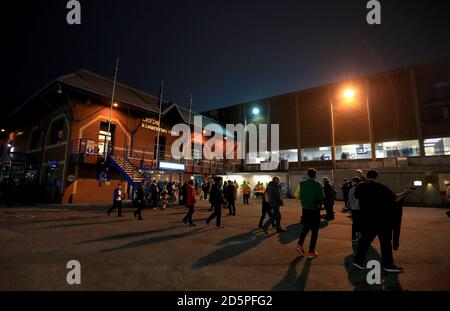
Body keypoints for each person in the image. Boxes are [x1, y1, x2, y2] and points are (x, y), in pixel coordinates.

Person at [352, 169, 410, 273]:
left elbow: (356, 196)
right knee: (386, 243)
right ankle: (388, 265)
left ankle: (358, 261)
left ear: (367, 176)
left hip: (366, 220)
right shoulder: (380, 187)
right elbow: (395, 198)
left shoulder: (361, 187)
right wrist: (406, 192)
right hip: (381, 221)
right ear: (376, 176)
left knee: (364, 242)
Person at [295, 168, 324, 259]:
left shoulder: (301, 184)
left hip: (305, 209)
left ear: (307, 175)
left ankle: (300, 244)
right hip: (315, 210)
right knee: (314, 231)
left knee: (305, 228)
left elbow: (296, 196)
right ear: (315, 175)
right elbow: (321, 197)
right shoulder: (317, 185)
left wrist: (304, 199)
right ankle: (311, 252)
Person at [348, 177, 361, 242]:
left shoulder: (352, 189)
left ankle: (354, 237)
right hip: (361, 208)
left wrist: (350, 207)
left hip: (354, 208)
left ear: (355, 182)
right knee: (360, 222)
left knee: (355, 223)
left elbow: (350, 199)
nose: (352, 182)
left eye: (353, 181)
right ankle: (359, 235)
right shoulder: (362, 189)